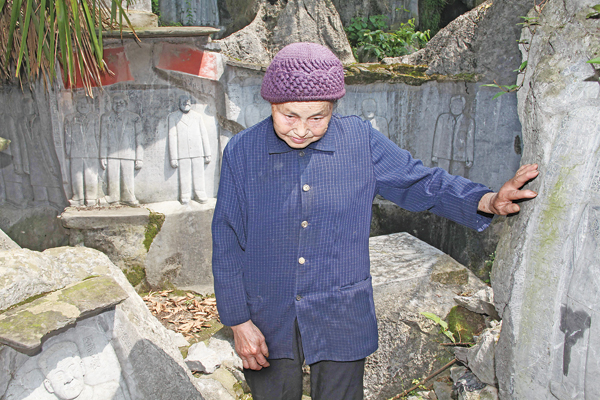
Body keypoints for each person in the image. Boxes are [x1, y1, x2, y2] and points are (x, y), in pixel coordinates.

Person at [211, 42, 539, 400]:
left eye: (317, 117)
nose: (301, 130)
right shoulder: (243, 152)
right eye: (289, 116)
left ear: (333, 107)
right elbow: (227, 240)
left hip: (341, 311)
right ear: (272, 104)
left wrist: (487, 199)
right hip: (266, 312)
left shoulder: (359, 141)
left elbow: (419, 182)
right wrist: (239, 322)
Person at [100, 93, 143, 205]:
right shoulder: (106, 117)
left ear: (126, 104)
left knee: (127, 177)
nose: (118, 105)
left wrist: (139, 158)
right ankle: (113, 197)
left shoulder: (134, 118)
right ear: (112, 104)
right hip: (112, 153)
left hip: (128, 153)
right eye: (116, 103)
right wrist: (102, 155)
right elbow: (103, 137)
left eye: (121, 103)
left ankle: (129, 198)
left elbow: (139, 138)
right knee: (112, 177)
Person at [168, 94, 212, 204]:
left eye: (188, 102)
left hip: (198, 151)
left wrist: (208, 153)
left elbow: (203, 134)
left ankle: (200, 192)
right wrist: (173, 157)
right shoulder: (173, 117)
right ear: (179, 104)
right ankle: (185, 194)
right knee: (184, 173)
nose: (186, 104)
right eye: (183, 102)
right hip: (182, 152)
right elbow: (172, 136)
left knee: (199, 173)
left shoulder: (197, 117)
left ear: (191, 103)